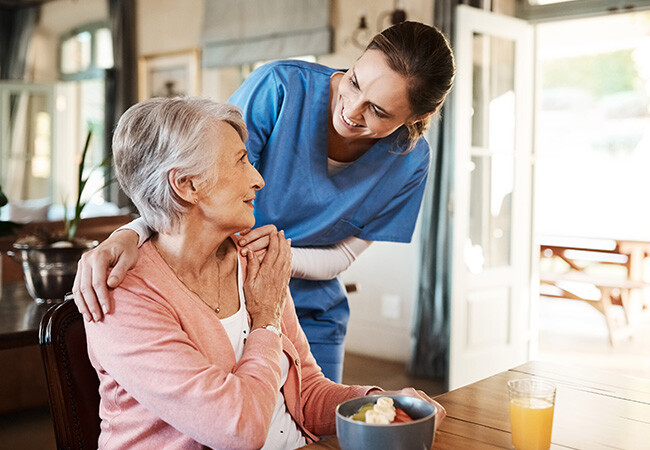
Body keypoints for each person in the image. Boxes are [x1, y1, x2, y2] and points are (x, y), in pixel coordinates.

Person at [73, 21, 456, 382]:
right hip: (221, 295)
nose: (351, 110)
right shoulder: (280, 88)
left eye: (378, 110)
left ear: (418, 116)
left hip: (311, 308)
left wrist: (277, 263)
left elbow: (344, 256)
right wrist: (130, 233)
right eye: (354, 82)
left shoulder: (409, 162)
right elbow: (191, 180)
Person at [84, 97, 446, 449]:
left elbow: (305, 391)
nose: (258, 179)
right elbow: (240, 430)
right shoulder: (122, 295)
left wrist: (379, 405)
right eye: (241, 161)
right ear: (187, 185)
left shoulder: (253, 262)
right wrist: (266, 321)